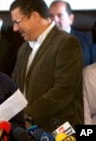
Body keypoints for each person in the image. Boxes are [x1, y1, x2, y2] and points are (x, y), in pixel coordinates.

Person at [10, 0, 84, 132]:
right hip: (29, 130)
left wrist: (26, 115)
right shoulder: (23, 48)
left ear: (34, 16)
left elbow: (63, 90)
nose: (15, 28)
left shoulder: (67, 43)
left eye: (17, 21)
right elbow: (15, 86)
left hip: (60, 130)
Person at [49, 0, 96, 66]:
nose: (54, 20)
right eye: (51, 16)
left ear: (71, 19)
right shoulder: (41, 41)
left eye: (59, 15)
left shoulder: (89, 39)